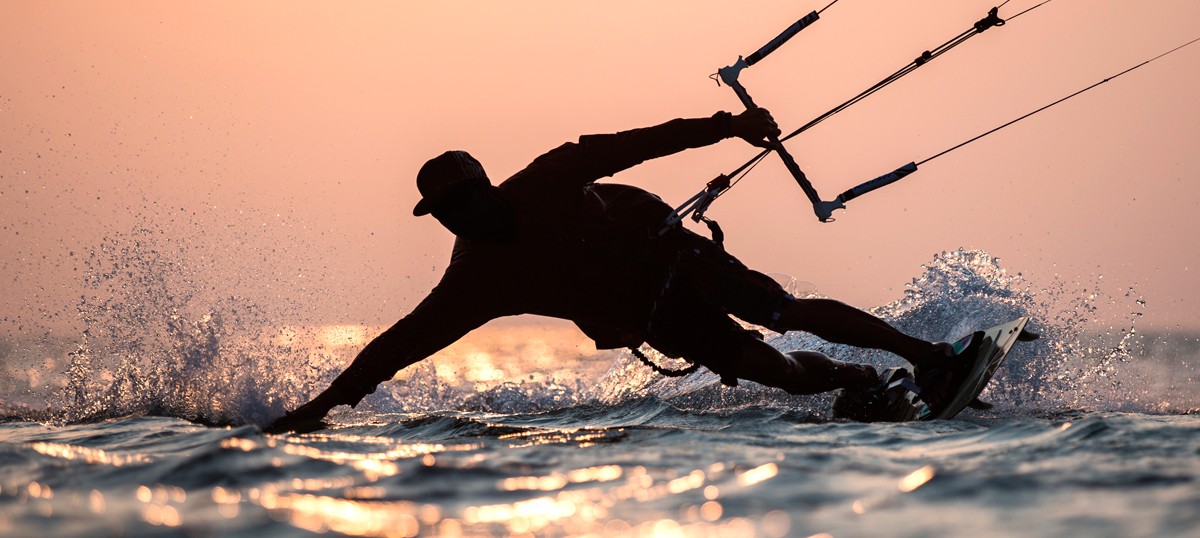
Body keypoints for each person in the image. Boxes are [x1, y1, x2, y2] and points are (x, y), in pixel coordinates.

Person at [267, 108, 956, 433]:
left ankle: (927, 356)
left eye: (457, 205)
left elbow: (637, 144)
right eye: (441, 215)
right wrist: (319, 408)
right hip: (651, 315)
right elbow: (398, 345)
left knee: (783, 312)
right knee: (775, 372)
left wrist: (726, 125)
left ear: (484, 189)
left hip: (667, 253)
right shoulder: (475, 280)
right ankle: (861, 382)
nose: (453, 222)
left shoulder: (545, 180)